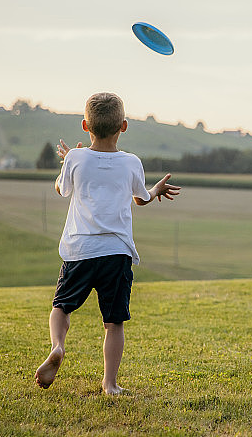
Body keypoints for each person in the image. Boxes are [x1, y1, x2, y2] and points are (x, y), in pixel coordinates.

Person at [35, 92, 180, 395]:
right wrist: (156, 188)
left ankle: (58, 347)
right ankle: (110, 384)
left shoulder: (75, 158)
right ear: (124, 126)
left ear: (85, 124)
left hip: (79, 251)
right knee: (114, 323)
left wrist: (69, 162)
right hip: (116, 253)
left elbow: (62, 189)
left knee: (61, 307)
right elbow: (141, 199)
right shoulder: (131, 162)